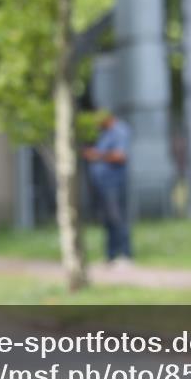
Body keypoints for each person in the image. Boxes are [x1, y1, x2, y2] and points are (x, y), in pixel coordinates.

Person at [84, 112, 134, 265]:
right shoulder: (104, 133)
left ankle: (125, 255)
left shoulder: (120, 131)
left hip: (114, 182)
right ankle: (111, 256)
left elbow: (120, 156)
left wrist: (97, 155)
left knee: (118, 218)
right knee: (107, 220)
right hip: (102, 183)